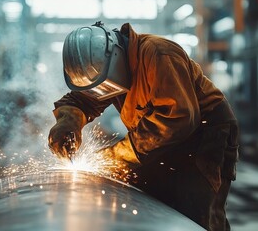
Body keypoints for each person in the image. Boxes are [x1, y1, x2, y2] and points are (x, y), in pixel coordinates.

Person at [48, 21, 239, 231]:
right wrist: (68, 122)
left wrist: (116, 155)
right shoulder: (111, 69)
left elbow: (178, 118)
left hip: (206, 132)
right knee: (157, 197)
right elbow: (82, 101)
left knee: (196, 211)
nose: (103, 91)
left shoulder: (159, 54)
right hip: (165, 136)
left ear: (117, 56)